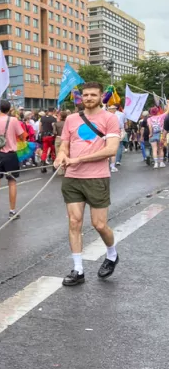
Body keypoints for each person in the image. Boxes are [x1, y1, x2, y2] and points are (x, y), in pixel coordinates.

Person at [53, 82, 121, 287]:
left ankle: (112, 254)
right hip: (72, 178)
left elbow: (111, 150)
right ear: (80, 97)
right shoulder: (72, 119)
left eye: (93, 94)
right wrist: (61, 156)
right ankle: (78, 270)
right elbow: (64, 144)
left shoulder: (110, 119)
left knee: (99, 224)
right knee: (74, 222)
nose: (89, 97)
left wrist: (78, 160)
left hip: (97, 177)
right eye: (85, 95)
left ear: (101, 97)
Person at [0, 100, 25, 223]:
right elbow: (22, 136)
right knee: (12, 182)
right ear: (8, 109)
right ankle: (12, 211)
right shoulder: (13, 120)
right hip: (10, 155)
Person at [39, 108, 57, 172]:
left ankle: (43, 165)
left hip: (44, 136)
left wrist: (42, 132)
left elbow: (40, 127)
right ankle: (54, 167)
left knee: (44, 151)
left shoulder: (42, 118)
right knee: (52, 151)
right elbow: (54, 128)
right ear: (53, 111)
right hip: (51, 137)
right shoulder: (54, 118)